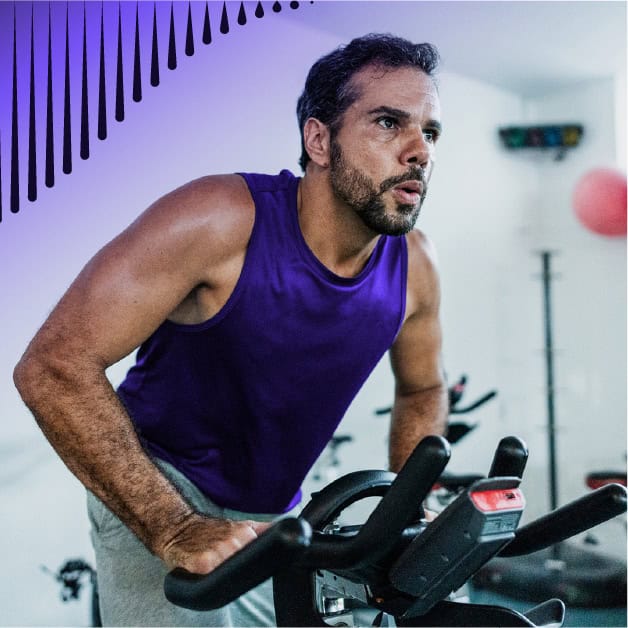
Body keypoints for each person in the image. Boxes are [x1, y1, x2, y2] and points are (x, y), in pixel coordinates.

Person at [14, 33, 448, 626]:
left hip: (280, 512)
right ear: (319, 140)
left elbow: (422, 388)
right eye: (387, 122)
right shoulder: (221, 219)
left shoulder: (414, 268)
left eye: (430, 132)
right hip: (162, 486)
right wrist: (174, 525)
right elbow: (52, 366)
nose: (418, 150)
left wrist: (407, 503)